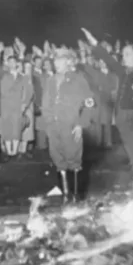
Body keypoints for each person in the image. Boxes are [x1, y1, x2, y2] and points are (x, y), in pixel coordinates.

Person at [82, 28, 133, 187]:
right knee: (129, 146)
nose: (124, 57)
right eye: (123, 54)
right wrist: (93, 42)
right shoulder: (123, 71)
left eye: (127, 54)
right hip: (122, 114)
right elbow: (107, 58)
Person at [40, 47, 95, 202]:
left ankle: (76, 197)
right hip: (54, 126)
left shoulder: (79, 80)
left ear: (69, 61)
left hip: (71, 126)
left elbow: (89, 104)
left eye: (61, 59)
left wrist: (81, 124)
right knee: (58, 159)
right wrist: (49, 123)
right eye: (56, 59)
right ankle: (65, 195)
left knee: (74, 160)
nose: (57, 63)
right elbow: (45, 104)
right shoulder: (50, 80)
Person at [0, 55, 34, 162]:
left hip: (18, 107)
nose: (12, 64)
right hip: (6, 107)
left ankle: (15, 152)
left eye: (14, 62)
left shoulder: (23, 77)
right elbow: (2, 91)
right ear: (7, 64)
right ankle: (9, 152)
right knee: (7, 129)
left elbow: (29, 92)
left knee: (17, 129)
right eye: (10, 62)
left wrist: (24, 104)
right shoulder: (3, 76)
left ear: (17, 63)